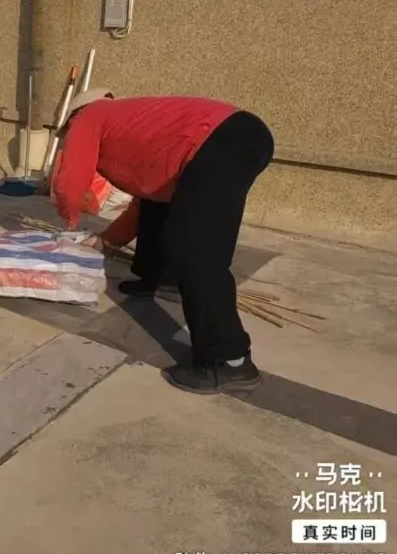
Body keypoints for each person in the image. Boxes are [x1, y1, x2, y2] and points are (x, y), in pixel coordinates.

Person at [51, 89, 275, 395]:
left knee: (197, 251)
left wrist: (70, 221)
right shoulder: (134, 126)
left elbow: (70, 180)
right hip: (235, 137)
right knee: (159, 211)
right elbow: (143, 203)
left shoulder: (90, 116)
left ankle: (229, 361)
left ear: (74, 117)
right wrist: (106, 241)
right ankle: (156, 279)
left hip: (224, 141)